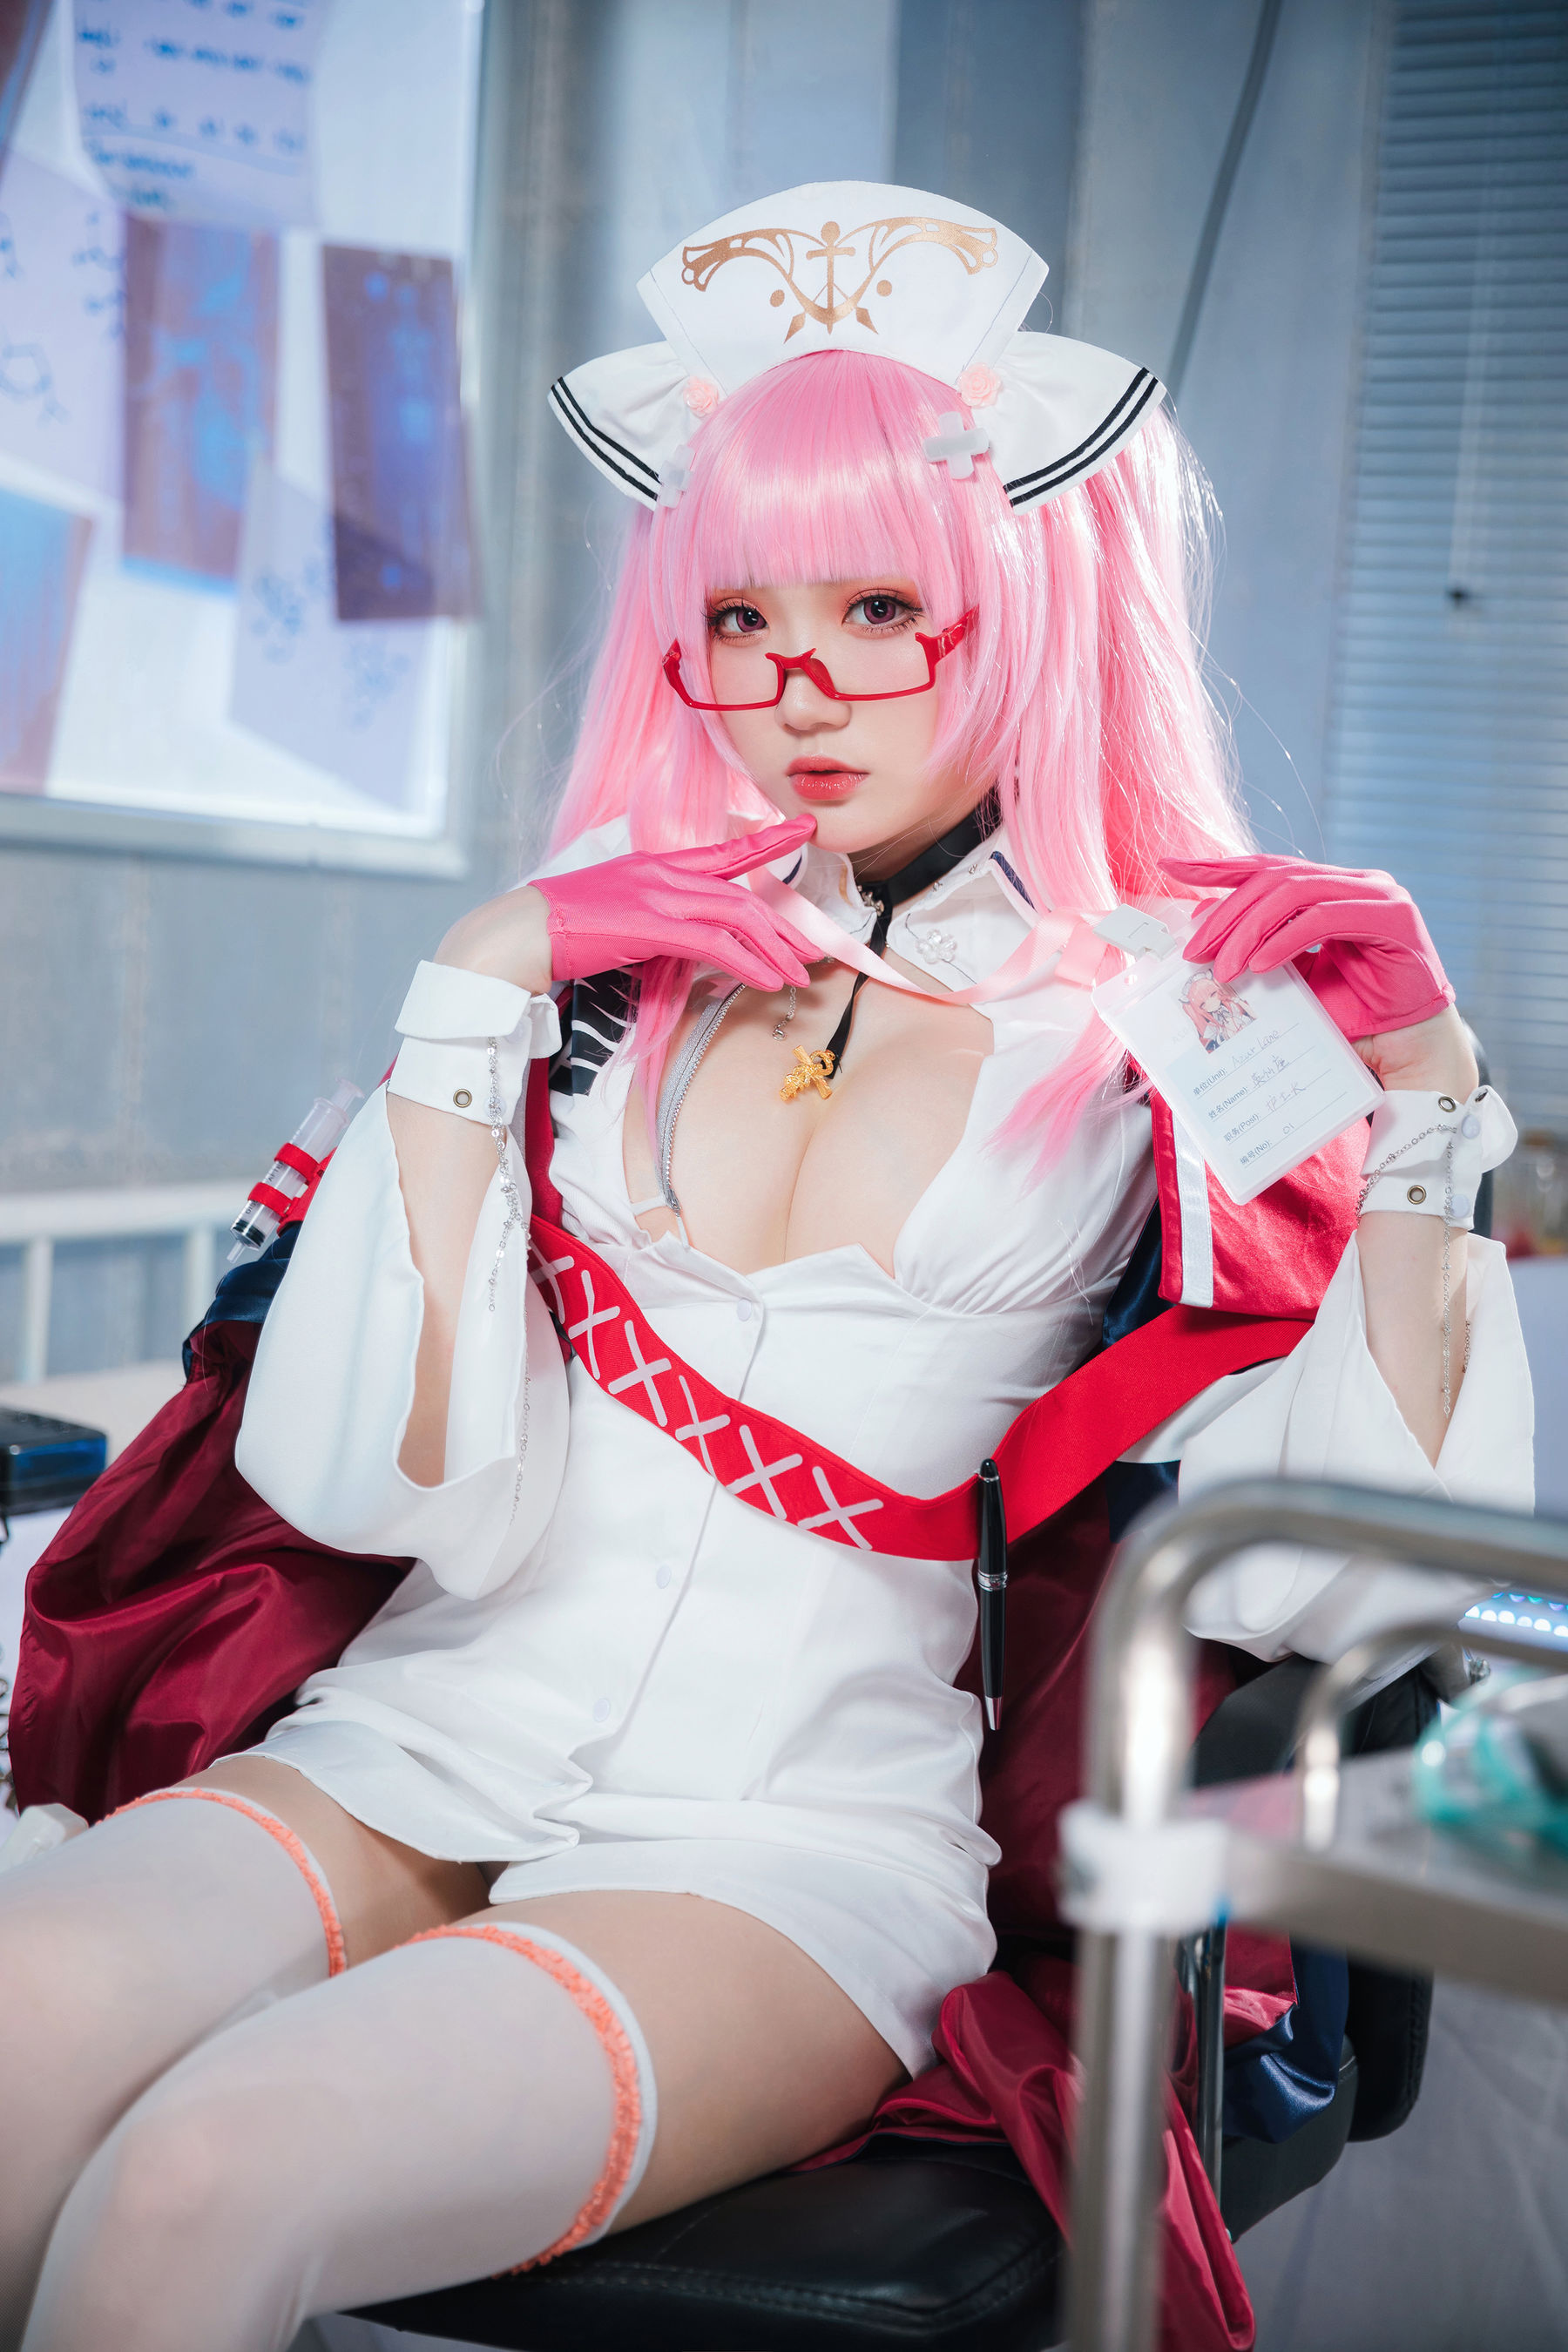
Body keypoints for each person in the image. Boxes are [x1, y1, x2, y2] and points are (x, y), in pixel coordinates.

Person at [0, 181, 1531, 2352]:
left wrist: (1429, 1100)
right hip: (420, 1729)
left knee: (199, 2185)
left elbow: (1350, 1580)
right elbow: (392, 1489)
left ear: (1030, 596)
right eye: (740, 614)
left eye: (884, 604)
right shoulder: (608, 955)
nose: (799, 688)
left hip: (786, 1839)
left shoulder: (1183, 1014)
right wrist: (481, 978)